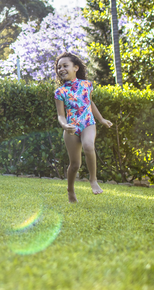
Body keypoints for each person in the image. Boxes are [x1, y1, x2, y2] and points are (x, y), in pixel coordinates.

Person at [53, 51, 113, 203]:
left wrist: (101, 119)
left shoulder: (87, 85)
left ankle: (93, 180)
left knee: (88, 146)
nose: (61, 69)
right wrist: (65, 125)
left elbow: (90, 103)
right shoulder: (60, 92)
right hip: (71, 128)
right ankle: (70, 190)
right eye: (59, 67)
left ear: (76, 68)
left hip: (88, 123)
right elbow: (60, 115)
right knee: (75, 165)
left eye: (65, 66)